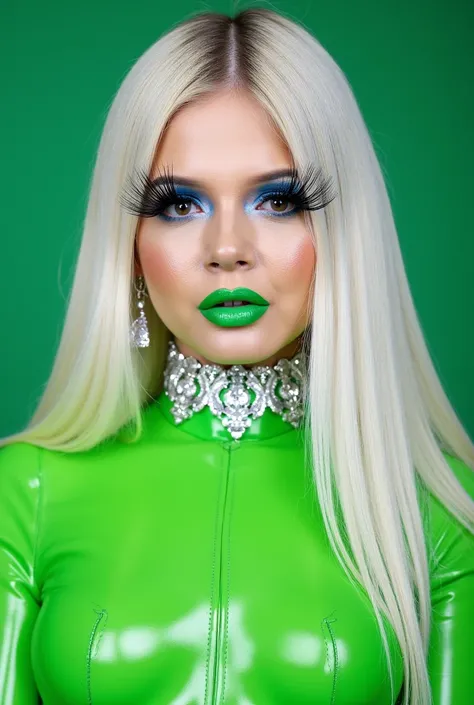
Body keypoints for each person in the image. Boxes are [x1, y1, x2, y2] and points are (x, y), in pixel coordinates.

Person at [1, 7, 473, 705]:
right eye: (179, 205)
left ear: (343, 232)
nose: (227, 247)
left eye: (278, 200)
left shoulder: (432, 510)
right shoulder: (26, 491)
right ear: (129, 244)